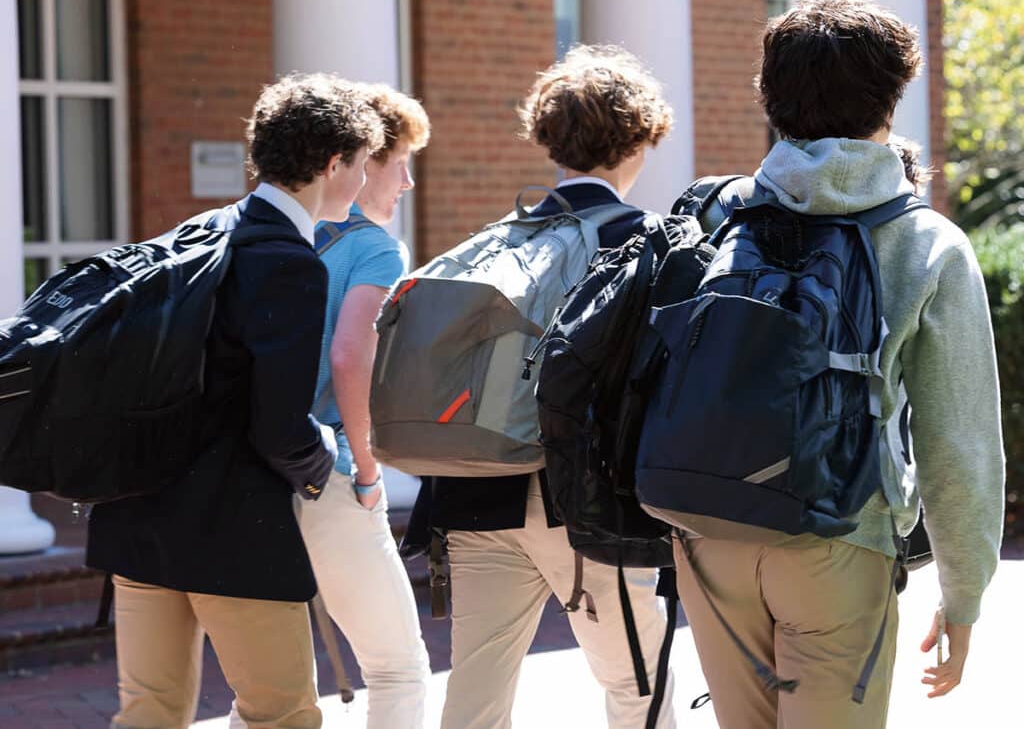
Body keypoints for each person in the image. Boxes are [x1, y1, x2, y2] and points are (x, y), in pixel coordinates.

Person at [673, 0, 1005, 729]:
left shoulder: (712, 213)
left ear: (771, 97)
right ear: (892, 98)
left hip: (707, 528)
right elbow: (959, 442)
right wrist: (964, 596)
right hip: (840, 534)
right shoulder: (926, 243)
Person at [86, 73, 384, 729]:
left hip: (137, 520)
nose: (363, 183)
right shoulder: (288, 260)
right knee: (282, 717)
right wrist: (324, 461)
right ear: (333, 164)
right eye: (362, 166)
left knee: (147, 716)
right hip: (231, 528)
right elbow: (279, 428)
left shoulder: (197, 230)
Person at [408, 44, 679, 729]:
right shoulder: (644, 241)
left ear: (548, 137)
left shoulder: (501, 236)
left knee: (473, 701)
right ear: (640, 137)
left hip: (471, 494)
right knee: (637, 689)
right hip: (582, 509)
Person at [295, 83, 432, 728]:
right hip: (332, 475)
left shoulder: (266, 230)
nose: (406, 182)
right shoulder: (375, 248)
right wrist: (371, 472)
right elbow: (351, 358)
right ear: (363, 158)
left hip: (249, 474)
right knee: (399, 668)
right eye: (399, 161)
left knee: (273, 690)